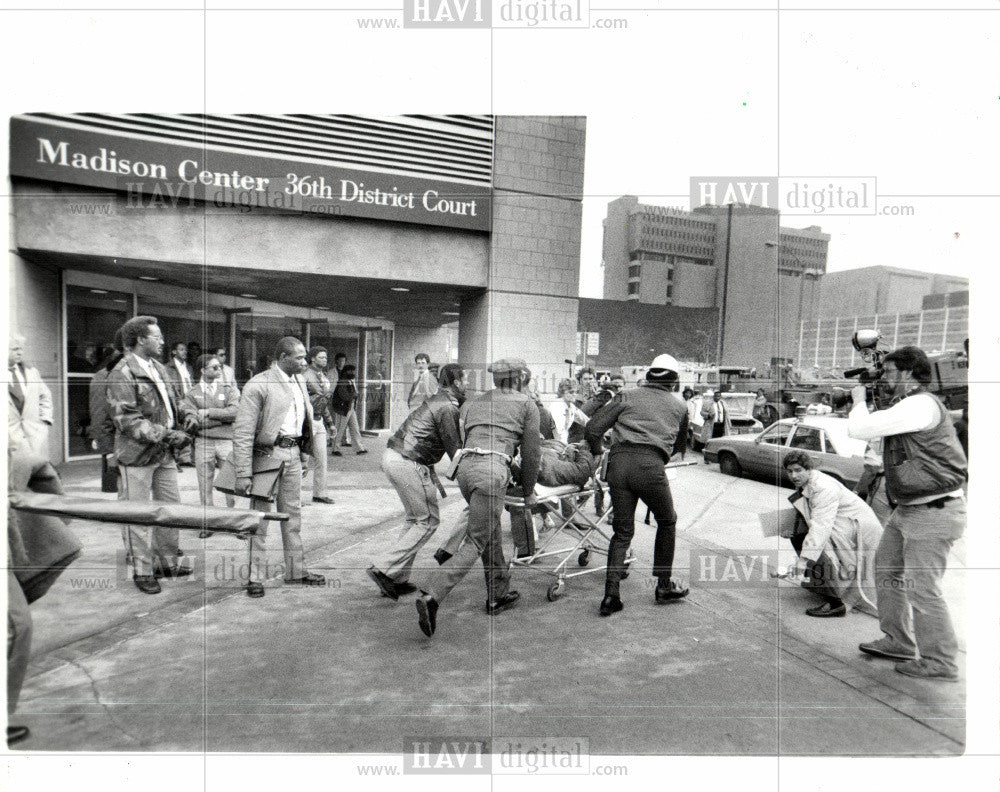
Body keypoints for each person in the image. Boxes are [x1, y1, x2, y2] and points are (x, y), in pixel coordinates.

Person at [848, 346, 968, 681]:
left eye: (888, 372)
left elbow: (860, 429)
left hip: (934, 510)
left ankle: (940, 661)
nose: (884, 378)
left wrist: (859, 399)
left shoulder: (920, 404)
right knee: (886, 570)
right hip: (911, 509)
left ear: (908, 372)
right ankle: (897, 641)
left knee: (922, 588)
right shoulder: (907, 405)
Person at [415, 357, 540, 638]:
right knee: (476, 539)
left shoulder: (473, 403)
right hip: (491, 473)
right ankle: (432, 595)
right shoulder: (526, 404)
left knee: (489, 530)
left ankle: (498, 594)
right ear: (520, 379)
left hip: (465, 471)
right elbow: (532, 453)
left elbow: (475, 440)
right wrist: (529, 490)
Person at [584, 353, 689, 617]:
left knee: (622, 531)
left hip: (618, 467)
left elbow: (593, 428)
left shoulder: (626, 396)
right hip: (650, 467)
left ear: (648, 376)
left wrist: (600, 451)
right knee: (667, 521)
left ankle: (611, 596)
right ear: (674, 382)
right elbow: (679, 448)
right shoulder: (679, 407)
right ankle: (663, 586)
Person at [232, 337, 326, 598]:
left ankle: (296, 571)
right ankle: (254, 577)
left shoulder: (298, 381)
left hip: (293, 454)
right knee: (259, 519)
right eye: (299, 357)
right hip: (267, 455)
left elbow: (302, 420)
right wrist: (243, 472)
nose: (304, 362)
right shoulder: (259, 384)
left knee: (292, 516)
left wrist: (303, 456)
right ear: (283, 357)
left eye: (305, 357)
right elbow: (243, 431)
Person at [106, 317, 193, 594]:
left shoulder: (158, 368)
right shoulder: (122, 373)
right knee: (138, 515)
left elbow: (175, 401)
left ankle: (166, 563)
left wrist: (187, 414)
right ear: (141, 340)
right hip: (137, 456)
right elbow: (128, 421)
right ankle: (142, 571)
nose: (163, 341)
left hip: (163, 453)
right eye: (157, 337)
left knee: (170, 509)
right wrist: (168, 435)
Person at [367, 363, 466, 600]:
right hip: (409, 462)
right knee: (428, 520)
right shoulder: (448, 407)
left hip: (394, 457)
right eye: (465, 380)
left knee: (414, 519)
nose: (468, 385)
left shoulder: (436, 400)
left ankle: (396, 577)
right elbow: (456, 451)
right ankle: (383, 568)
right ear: (456, 382)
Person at [782, 452, 883, 617]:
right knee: (800, 538)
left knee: (820, 548)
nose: (794, 475)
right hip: (843, 523)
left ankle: (836, 603)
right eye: (790, 471)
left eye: (798, 470)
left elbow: (820, 527)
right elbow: (808, 513)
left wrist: (803, 561)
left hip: (859, 527)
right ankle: (821, 585)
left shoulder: (823, 487)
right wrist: (791, 529)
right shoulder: (808, 482)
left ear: (809, 469)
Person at [179, 354, 240, 529]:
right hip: (203, 442)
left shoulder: (228, 390)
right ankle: (208, 524)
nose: (219, 370)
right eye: (214, 367)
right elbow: (191, 419)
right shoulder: (192, 393)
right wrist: (222, 418)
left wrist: (207, 413)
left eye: (219, 367)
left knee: (230, 482)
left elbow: (235, 411)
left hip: (225, 442)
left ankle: (235, 522)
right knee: (204, 484)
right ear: (202, 370)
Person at [8, 334, 54, 458]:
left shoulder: (31, 372)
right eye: (14, 349)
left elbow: (45, 395)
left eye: (21, 349)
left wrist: (44, 420)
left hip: (32, 435)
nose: (19, 353)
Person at [88, 334, 124, 492]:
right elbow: (99, 412)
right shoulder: (103, 376)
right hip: (113, 439)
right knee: (116, 485)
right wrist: (106, 449)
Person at [302, 347, 335, 504]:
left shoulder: (323, 375)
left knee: (321, 458)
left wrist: (329, 423)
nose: (324, 360)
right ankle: (292, 495)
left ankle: (320, 493)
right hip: (306, 421)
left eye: (325, 357)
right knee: (301, 459)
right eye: (321, 357)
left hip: (319, 419)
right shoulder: (305, 376)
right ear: (313, 359)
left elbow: (323, 402)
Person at [331, 364, 367, 455]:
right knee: (340, 429)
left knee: (355, 428)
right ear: (346, 372)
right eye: (351, 371)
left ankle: (359, 448)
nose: (353, 373)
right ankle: (335, 449)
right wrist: (354, 395)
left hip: (350, 408)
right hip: (343, 409)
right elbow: (345, 396)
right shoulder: (343, 381)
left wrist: (354, 395)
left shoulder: (350, 381)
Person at [549, 378, 588, 444]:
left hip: (563, 440)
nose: (574, 395)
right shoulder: (557, 406)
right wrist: (564, 448)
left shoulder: (571, 406)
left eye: (576, 392)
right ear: (562, 393)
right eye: (571, 392)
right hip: (553, 441)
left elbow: (584, 420)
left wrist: (596, 428)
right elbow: (560, 431)